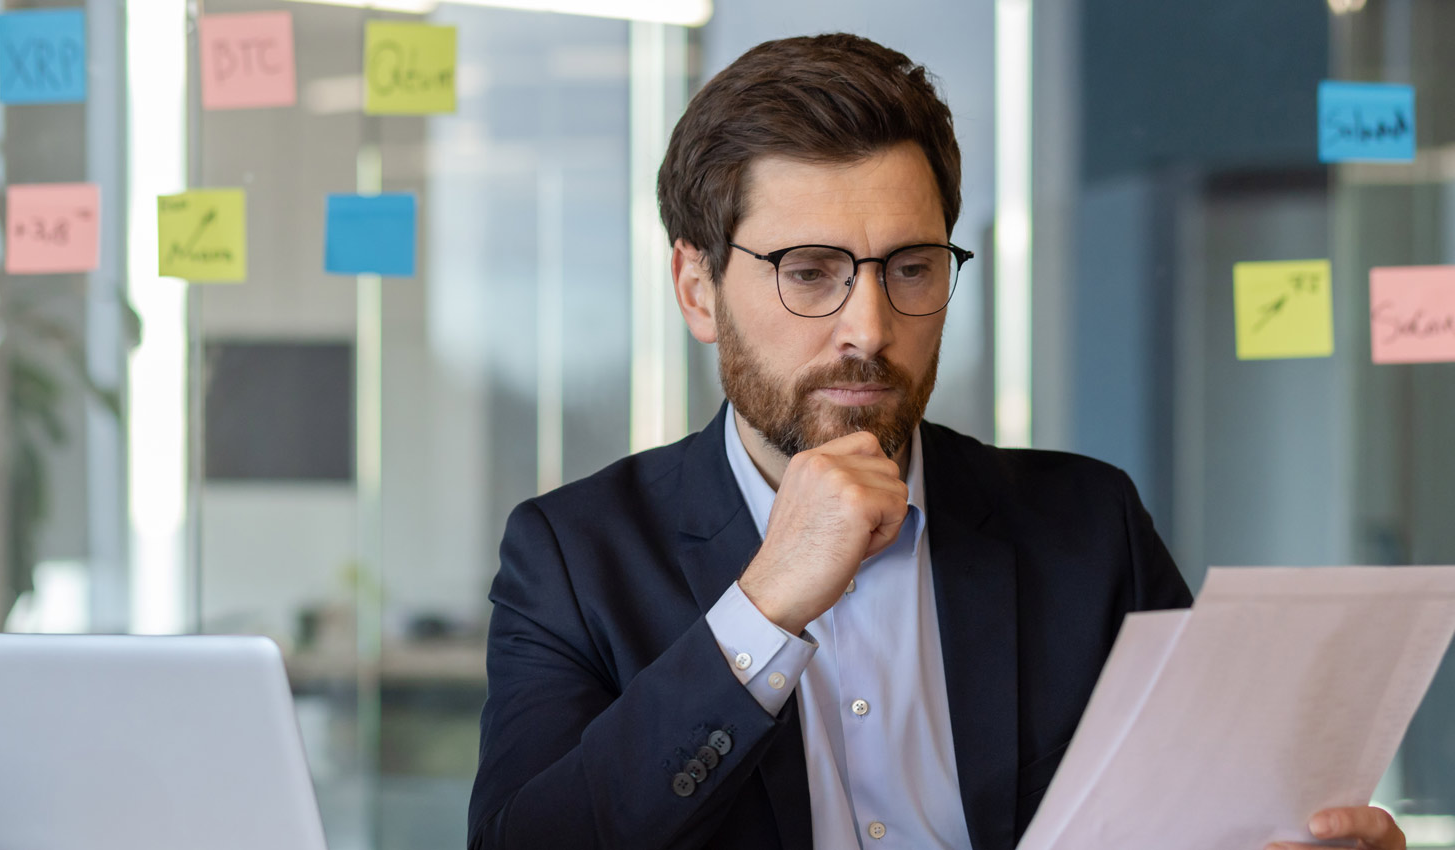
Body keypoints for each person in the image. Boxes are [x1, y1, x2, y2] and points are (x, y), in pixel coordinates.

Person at [466, 33, 1407, 850]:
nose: (869, 328)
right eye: (809, 271)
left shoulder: (1087, 527)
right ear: (696, 289)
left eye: (910, 268)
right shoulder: (573, 558)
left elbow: (1202, 819)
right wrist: (763, 609)